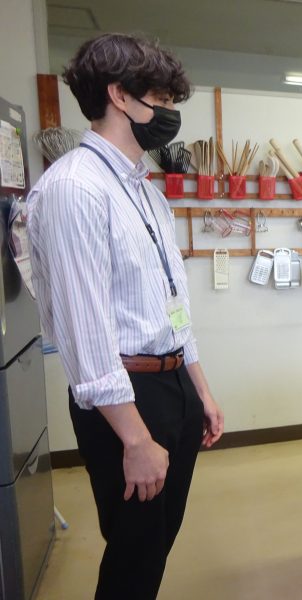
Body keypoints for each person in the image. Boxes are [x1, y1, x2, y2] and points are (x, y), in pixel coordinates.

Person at [27, 33, 223, 600]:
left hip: (173, 385)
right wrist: (135, 440)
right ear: (119, 95)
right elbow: (85, 333)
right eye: (160, 100)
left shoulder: (145, 190)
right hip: (125, 398)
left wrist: (200, 391)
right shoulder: (75, 188)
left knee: (156, 542)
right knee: (133, 555)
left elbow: (171, 305)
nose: (168, 113)